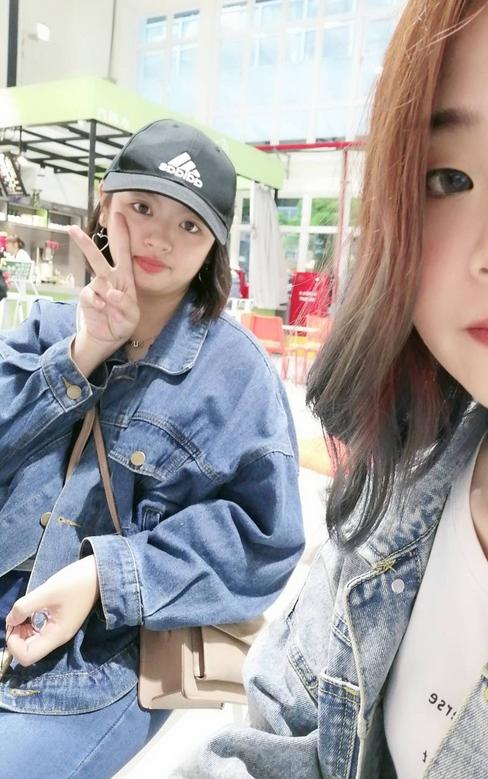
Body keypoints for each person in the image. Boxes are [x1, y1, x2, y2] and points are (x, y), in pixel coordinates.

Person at [172, 1, 488, 777]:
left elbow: (252, 535)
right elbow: (285, 731)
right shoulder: (399, 480)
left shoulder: (236, 365)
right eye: (450, 177)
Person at [0, 119, 304, 777]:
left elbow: (264, 540)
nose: (160, 238)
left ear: (214, 245)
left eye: (190, 225)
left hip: (103, 660)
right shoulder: (52, 326)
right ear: (105, 204)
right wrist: (84, 352)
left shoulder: (237, 376)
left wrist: (103, 576)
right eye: (141, 207)